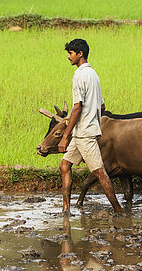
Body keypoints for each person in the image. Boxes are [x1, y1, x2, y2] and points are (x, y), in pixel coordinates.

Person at [58, 39, 124, 216]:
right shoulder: (93, 74)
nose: (68, 57)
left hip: (84, 134)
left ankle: (119, 211)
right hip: (83, 131)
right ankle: (66, 210)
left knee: (100, 173)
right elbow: (102, 106)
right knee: (65, 165)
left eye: (70, 53)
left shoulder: (79, 75)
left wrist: (65, 136)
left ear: (80, 54)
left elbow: (77, 106)